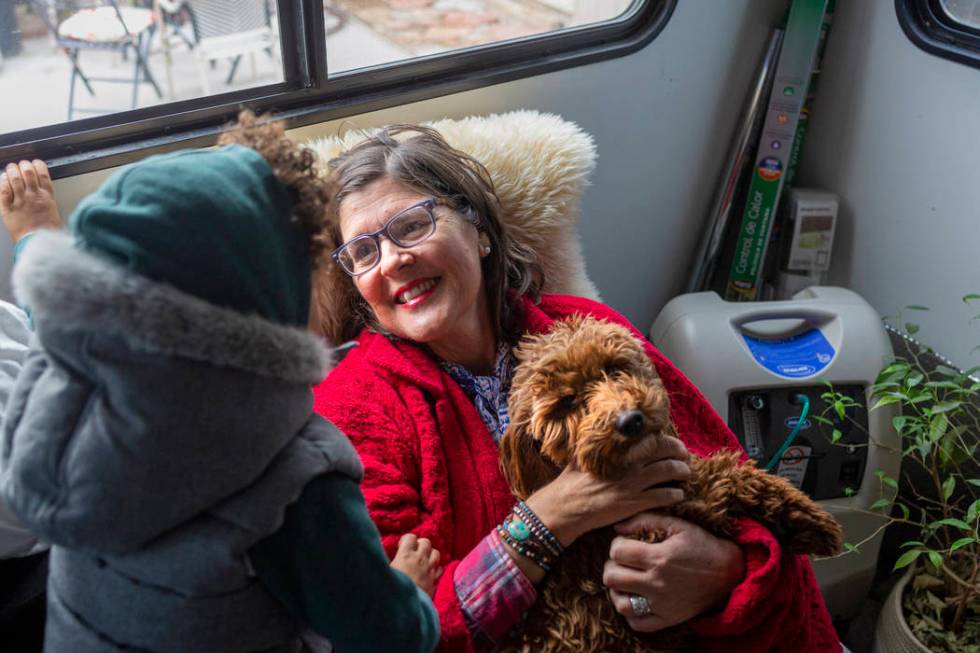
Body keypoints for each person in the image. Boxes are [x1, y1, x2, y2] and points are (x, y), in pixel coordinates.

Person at [311, 125, 843, 653]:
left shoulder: (586, 328)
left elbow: (724, 484)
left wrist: (721, 574)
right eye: (362, 252)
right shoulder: (350, 409)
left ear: (480, 230)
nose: (393, 259)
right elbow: (390, 631)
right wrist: (554, 516)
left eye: (411, 224)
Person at [0, 115, 441, 652]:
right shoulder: (295, 471)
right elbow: (383, 633)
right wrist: (410, 593)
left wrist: (34, 241)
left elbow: (56, 326)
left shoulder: (52, 380)